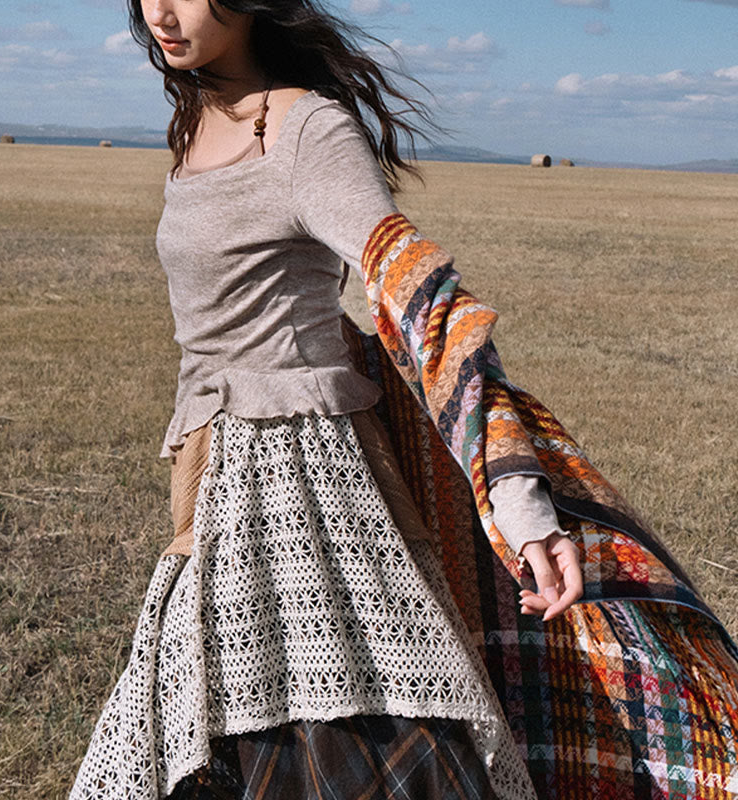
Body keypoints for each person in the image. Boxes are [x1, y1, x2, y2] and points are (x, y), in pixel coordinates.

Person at [70, 2, 738, 799]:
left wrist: (520, 502)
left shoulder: (305, 130)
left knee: (347, 742)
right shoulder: (196, 122)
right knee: (210, 729)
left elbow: (420, 295)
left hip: (308, 482)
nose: (160, 13)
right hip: (213, 475)